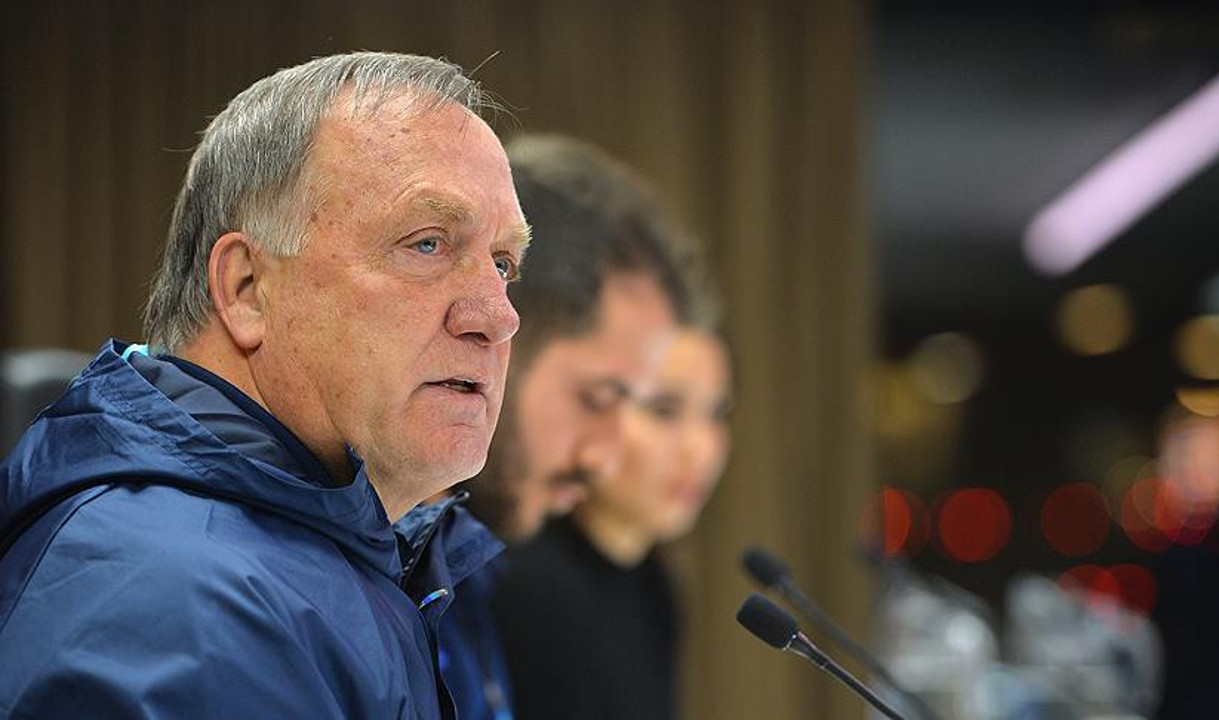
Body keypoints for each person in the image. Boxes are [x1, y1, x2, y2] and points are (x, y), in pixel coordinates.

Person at [0, 51, 527, 718]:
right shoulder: (178, 611)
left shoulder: (334, 558)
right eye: (427, 243)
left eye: (503, 263)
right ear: (248, 288)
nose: (498, 316)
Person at [420, 134, 695, 720]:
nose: (604, 457)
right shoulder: (339, 580)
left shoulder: (459, 570)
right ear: (498, 336)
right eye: (597, 399)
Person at [492, 327, 733, 720]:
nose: (701, 449)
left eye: (717, 413)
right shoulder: (528, 583)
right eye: (664, 409)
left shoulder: (653, 584)